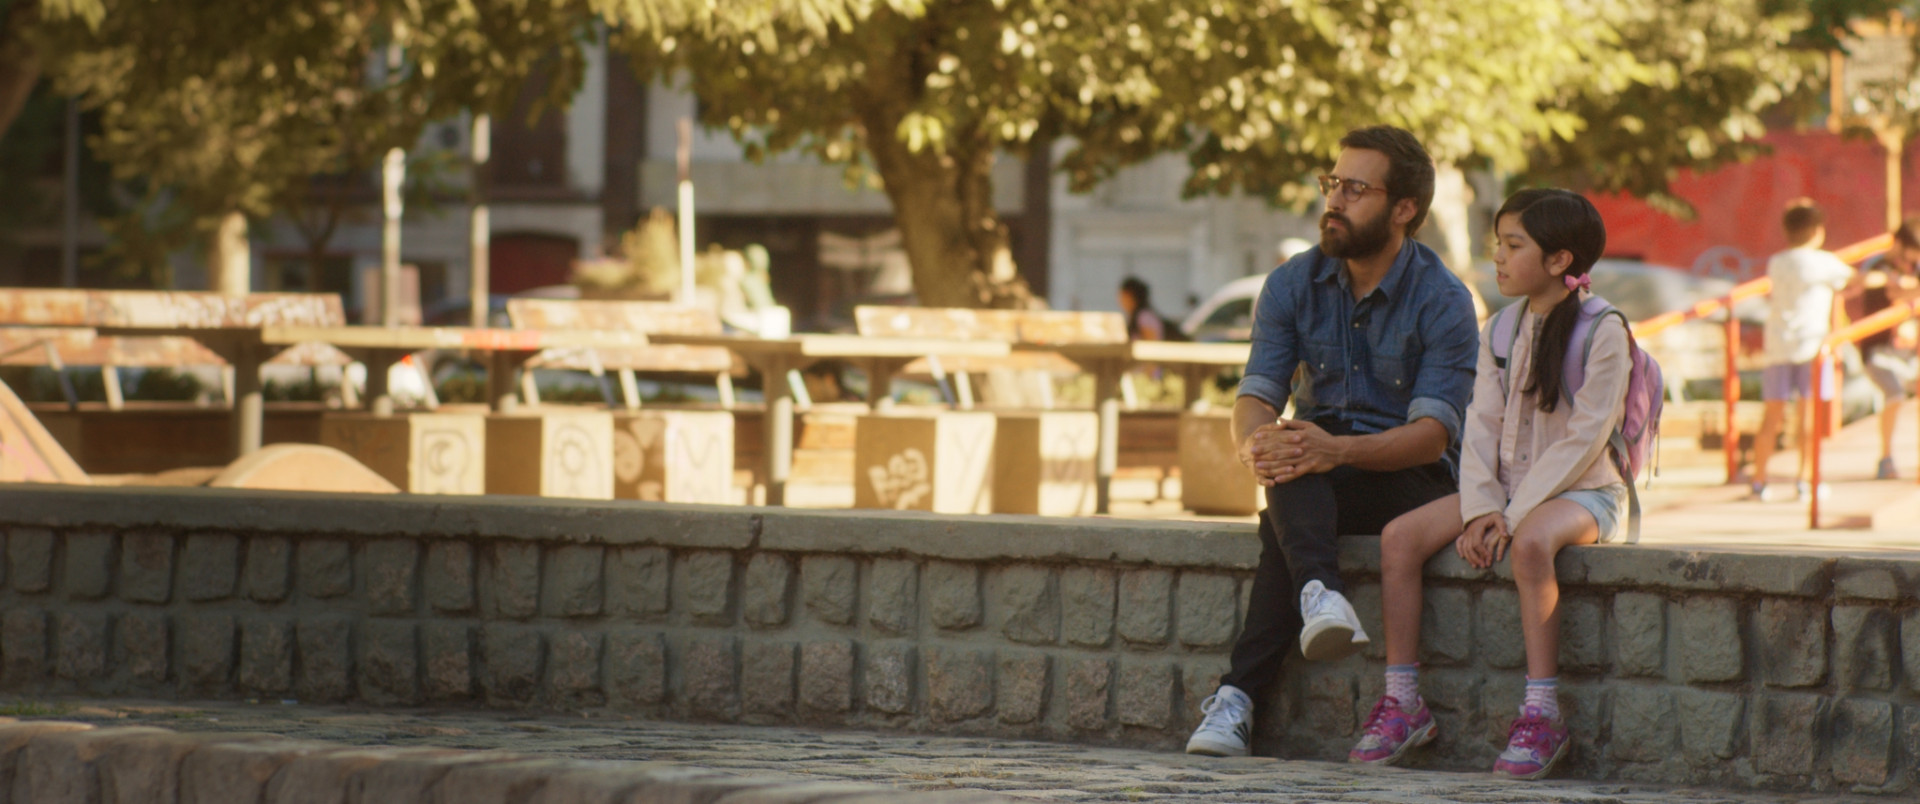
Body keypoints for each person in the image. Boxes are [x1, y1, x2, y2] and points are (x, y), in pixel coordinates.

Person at [1183, 126, 1478, 757]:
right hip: (1319, 472)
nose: (1334, 201)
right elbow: (1257, 395)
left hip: (1413, 481)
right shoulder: (1293, 282)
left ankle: (1240, 695)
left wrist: (1332, 451)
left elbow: (1431, 439)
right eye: (1332, 183)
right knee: (1292, 461)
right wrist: (1254, 447)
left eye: (1355, 188)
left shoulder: (1443, 299)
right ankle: (1318, 596)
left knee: (1291, 500)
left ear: (1403, 210)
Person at [1344, 188, 1626, 780]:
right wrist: (1479, 510)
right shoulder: (1499, 329)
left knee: (1529, 546)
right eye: (1497, 243)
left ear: (1559, 260)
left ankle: (1543, 714)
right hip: (1502, 493)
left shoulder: (1604, 330)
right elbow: (1478, 429)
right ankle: (1403, 701)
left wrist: (1512, 515)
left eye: (1513, 245)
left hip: (1585, 493)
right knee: (1399, 538)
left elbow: (1585, 439)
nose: (1497, 256)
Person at [1750, 200, 1854, 501]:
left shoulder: (1778, 261)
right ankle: (1806, 480)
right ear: (1816, 230)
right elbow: (1853, 279)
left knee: (1772, 418)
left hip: (1777, 347)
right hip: (1811, 348)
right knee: (1809, 418)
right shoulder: (1823, 262)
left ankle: (1759, 481)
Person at [1849, 219, 1920, 479]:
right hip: (1878, 350)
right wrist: (1892, 283)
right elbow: (1867, 280)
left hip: (1905, 352)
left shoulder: (1913, 266)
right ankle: (1886, 457)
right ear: (1900, 244)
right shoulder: (1880, 266)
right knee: (1895, 395)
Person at [1118, 277, 1181, 341]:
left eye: (1124, 296)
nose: (1121, 300)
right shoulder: (1133, 317)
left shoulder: (1145, 316)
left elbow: (1149, 343)